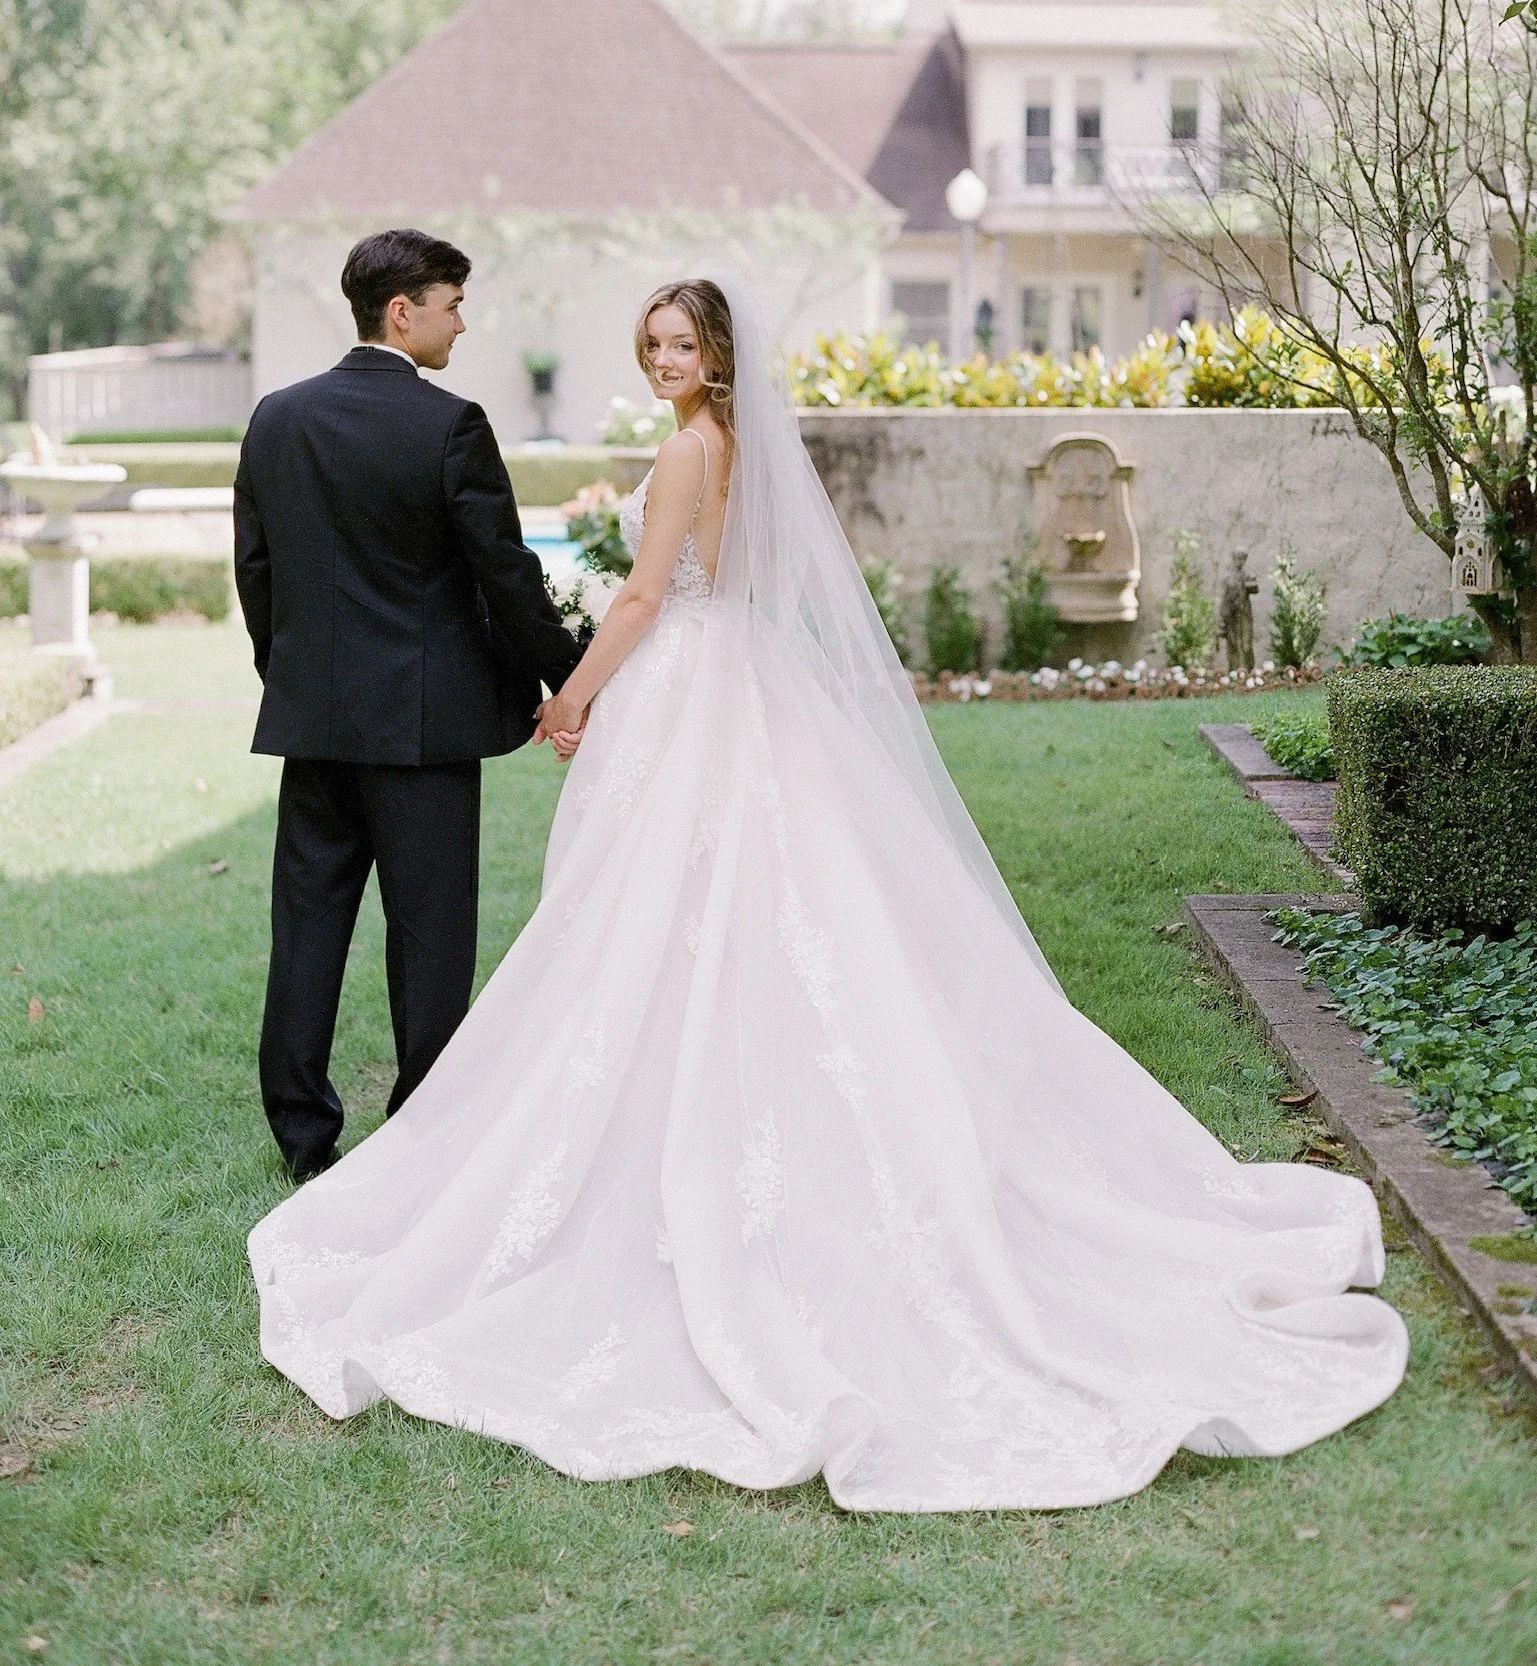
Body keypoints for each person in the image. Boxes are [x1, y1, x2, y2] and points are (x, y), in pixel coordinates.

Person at [249, 276, 1407, 1513]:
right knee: (756, 911)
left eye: (679, 344)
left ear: (718, 352)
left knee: (670, 920)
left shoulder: (691, 447)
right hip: (743, 678)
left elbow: (643, 597)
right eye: (649, 343)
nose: (661, 361)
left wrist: (572, 692)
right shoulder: (741, 443)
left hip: (687, 690)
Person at [233, 228, 581, 1183]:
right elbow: (506, 578)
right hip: (424, 734)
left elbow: (255, 575)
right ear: (403, 311)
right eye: (453, 304)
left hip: (315, 723)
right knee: (429, 936)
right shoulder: (450, 425)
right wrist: (576, 676)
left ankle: (302, 1139)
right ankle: (425, 1131)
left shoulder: (275, 417)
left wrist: (295, 679)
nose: (461, 325)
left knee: (307, 927)